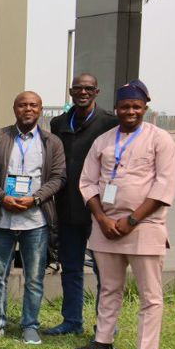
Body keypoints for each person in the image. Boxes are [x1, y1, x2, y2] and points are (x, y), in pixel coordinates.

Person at [75, 81, 175, 349]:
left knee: (150, 293)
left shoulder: (160, 139)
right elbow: (87, 182)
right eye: (124, 106)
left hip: (144, 226)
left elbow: (164, 186)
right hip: (107, 227)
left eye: (135, 106)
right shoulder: (104, 141)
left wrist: (132, 220)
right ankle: (103, 341)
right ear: (117, 108)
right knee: (108, 288)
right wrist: (102, 219)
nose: (130, 111)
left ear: (145, 107)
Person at [0, 91, 66, 345]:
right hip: (2, 219)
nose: (27, 109)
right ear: (14, 108)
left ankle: (30, 325)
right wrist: (1, 198)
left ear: (40, 110)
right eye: (22, 105)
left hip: (36, 221)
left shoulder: (52, 142)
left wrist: (36, 198)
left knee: (34, 277)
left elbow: (58, 178)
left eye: (33, 105)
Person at [46, 72, 118, 335]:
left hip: (100, 209)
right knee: (71, 268)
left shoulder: (110, 123)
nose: (83, 93)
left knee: (103, 271)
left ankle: (106, 324)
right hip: (68, 207)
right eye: (78, 88)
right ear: (71, 91)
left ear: (97, 92)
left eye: (89, 88)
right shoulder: (59, 123)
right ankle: (72, 321)